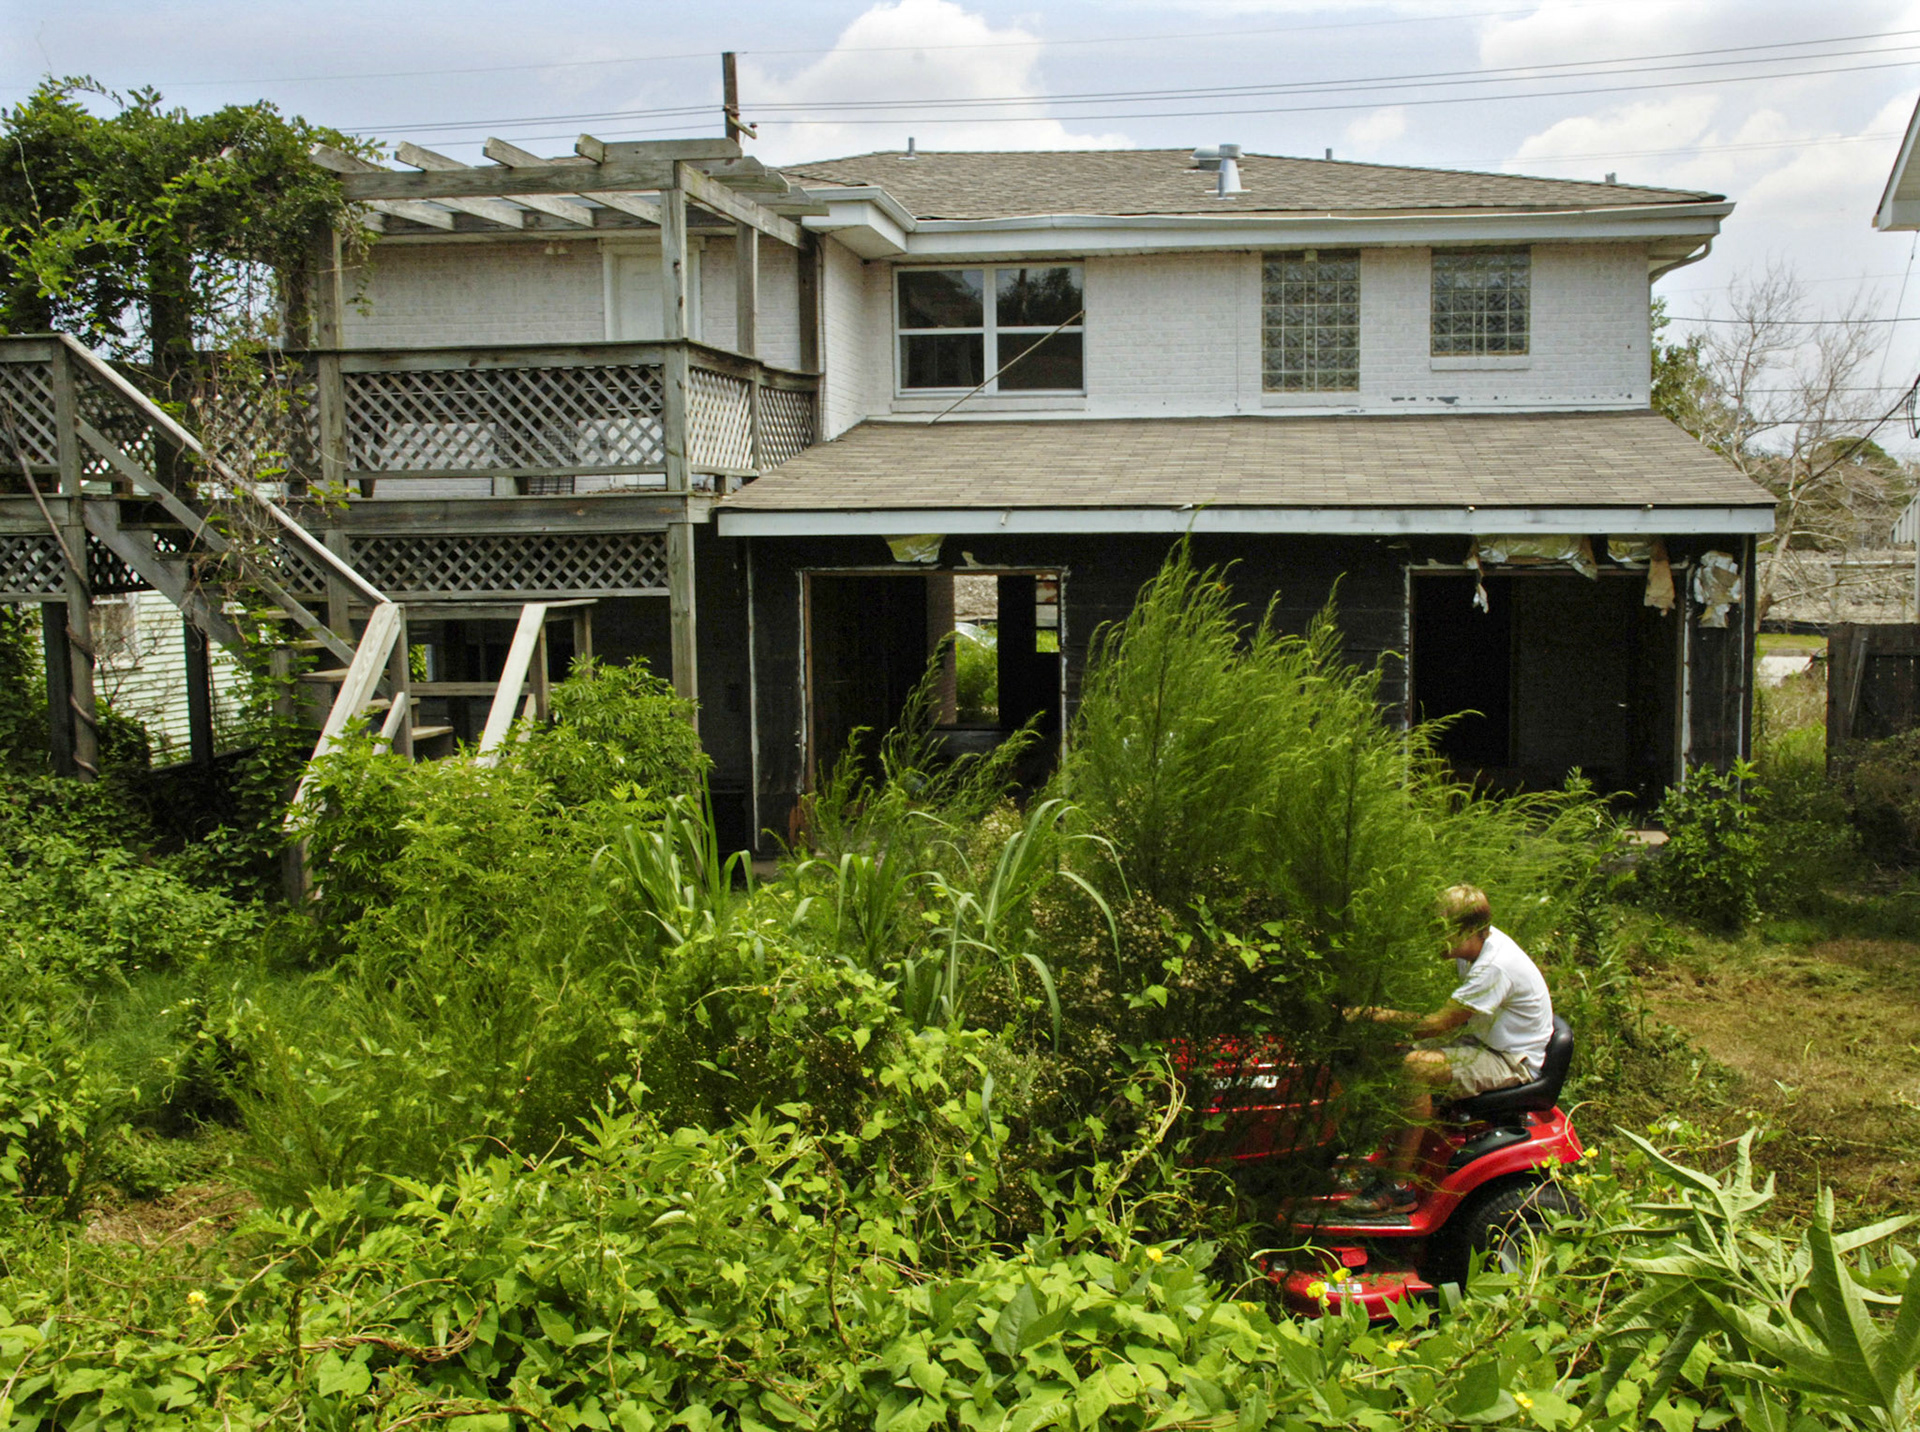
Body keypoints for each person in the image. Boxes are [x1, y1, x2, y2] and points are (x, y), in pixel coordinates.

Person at [1341, 884, 1554, 1216]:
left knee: (1417, 1066)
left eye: (1440, 929)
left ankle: (1396, 1189)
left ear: (1470, 929)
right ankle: (1389, 1158)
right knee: (1397, 1050)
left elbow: (1437, 1024)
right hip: (1483, 1040)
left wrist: (1374, 1015)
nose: (1431, 936)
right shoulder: (1472, 950)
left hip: (1511, 1059)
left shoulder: (1494, 966)